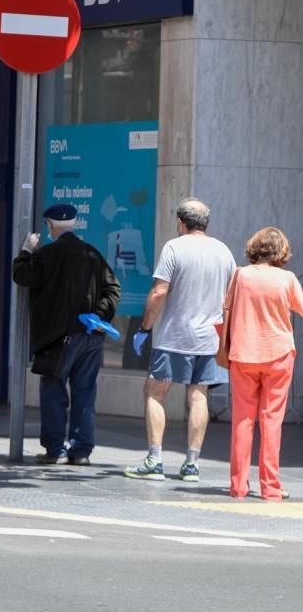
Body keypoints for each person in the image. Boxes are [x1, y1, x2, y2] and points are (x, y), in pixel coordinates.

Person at [124, 197, 235, 482]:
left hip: (175, 337)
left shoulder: (175, 247)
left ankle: (155, 460)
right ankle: (192, 465)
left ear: (180, 223)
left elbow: (159, 292)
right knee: (199, 396)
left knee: (154, 392)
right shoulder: (223, 251)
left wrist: (144, 329)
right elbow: (231, 297)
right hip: (211, 339)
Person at [12, 203, 121, 466]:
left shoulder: (47, 254)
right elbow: (113, 289)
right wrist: (99, 315)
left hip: (58, 336)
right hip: (91, 335)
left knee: (53, 391)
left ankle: (55, 449)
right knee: (85, 393)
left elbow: (22, 275)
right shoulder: (92, 254)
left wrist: (26, 251)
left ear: (51, 225)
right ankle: (81, 451)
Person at [227, 227, 303, 500]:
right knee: (272, 421)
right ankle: (270, 487)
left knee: (242, 420)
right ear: (281, 251)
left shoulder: (240, 275)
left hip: (243, 354)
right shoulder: (288, 279)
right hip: (279, 355)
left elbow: (226, 309)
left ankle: (238, 486)